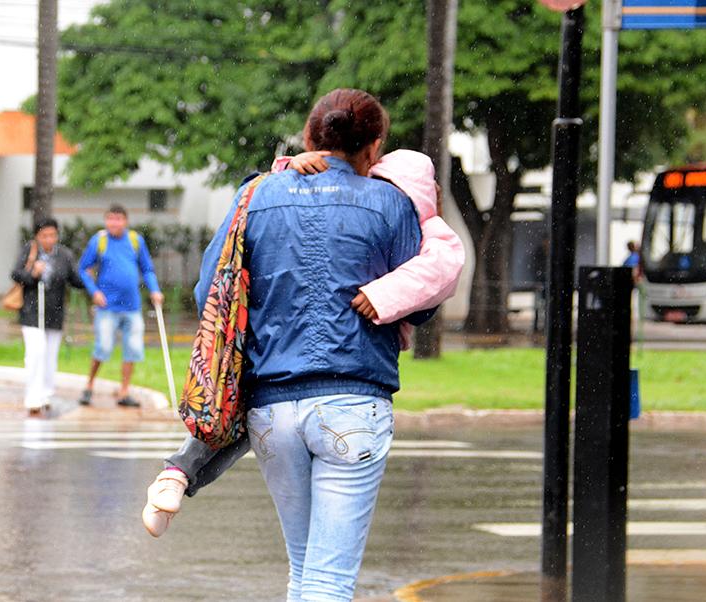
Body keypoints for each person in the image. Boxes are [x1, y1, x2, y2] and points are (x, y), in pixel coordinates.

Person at [172, 89, 433, 601]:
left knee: (306, 570)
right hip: (352, 401)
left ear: (309, 138)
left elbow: (211, 292)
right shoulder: (391, 203)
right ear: (374, 147)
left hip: (270, 411)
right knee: (328, 581)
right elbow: (420, 302)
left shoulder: (257, 196)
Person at [141, 150, 465, 537]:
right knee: (326, 564)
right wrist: (385, 295)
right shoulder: (403, 218)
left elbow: (213, 283)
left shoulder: (304, 202)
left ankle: (178, 472)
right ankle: (179, 472)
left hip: (272, 362)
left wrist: (285, 169)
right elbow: (435, 279)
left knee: (234, 411)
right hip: (350, 381)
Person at [77, 205, 164, 407]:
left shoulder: (135, 241)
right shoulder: (99, 241)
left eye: (118, 219)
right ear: (106, 221)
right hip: (107, 306)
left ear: (125, 221)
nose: (114, 223)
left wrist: (154, 290)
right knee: (103, 347)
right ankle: (89, 385)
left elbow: (147, 269)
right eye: (110, 219)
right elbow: (83, 269)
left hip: (132, 307)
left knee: (132, 349)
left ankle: (124, 391)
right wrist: (94, 291)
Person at [10, 218, 85, 416]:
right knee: (36, 352)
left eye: (52, 235)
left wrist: (88, 277)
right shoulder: (30, 251)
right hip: (32, 312)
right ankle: (32, 396)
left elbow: (75, 279)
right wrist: (33, 273)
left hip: (55, 312)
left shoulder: (64, 255)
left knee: (50, 356)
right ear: (37, 236)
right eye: (45, 235)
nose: (49, 239)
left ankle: (45, 393)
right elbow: (16, 274)